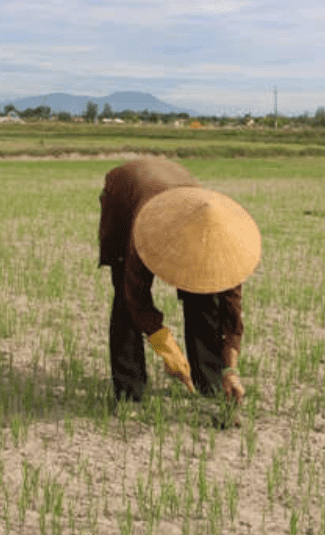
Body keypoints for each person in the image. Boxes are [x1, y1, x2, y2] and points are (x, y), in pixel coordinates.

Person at [98, 157, 260, 405]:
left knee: (204, 296)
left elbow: (231, 316)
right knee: (124, 303)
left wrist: (230, 370)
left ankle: (211, 384)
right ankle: (129, 393)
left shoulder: (224, 246)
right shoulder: (145, 228)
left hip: (180, 191)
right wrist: (167, 350)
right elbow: (136, 296)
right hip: (126, 197)